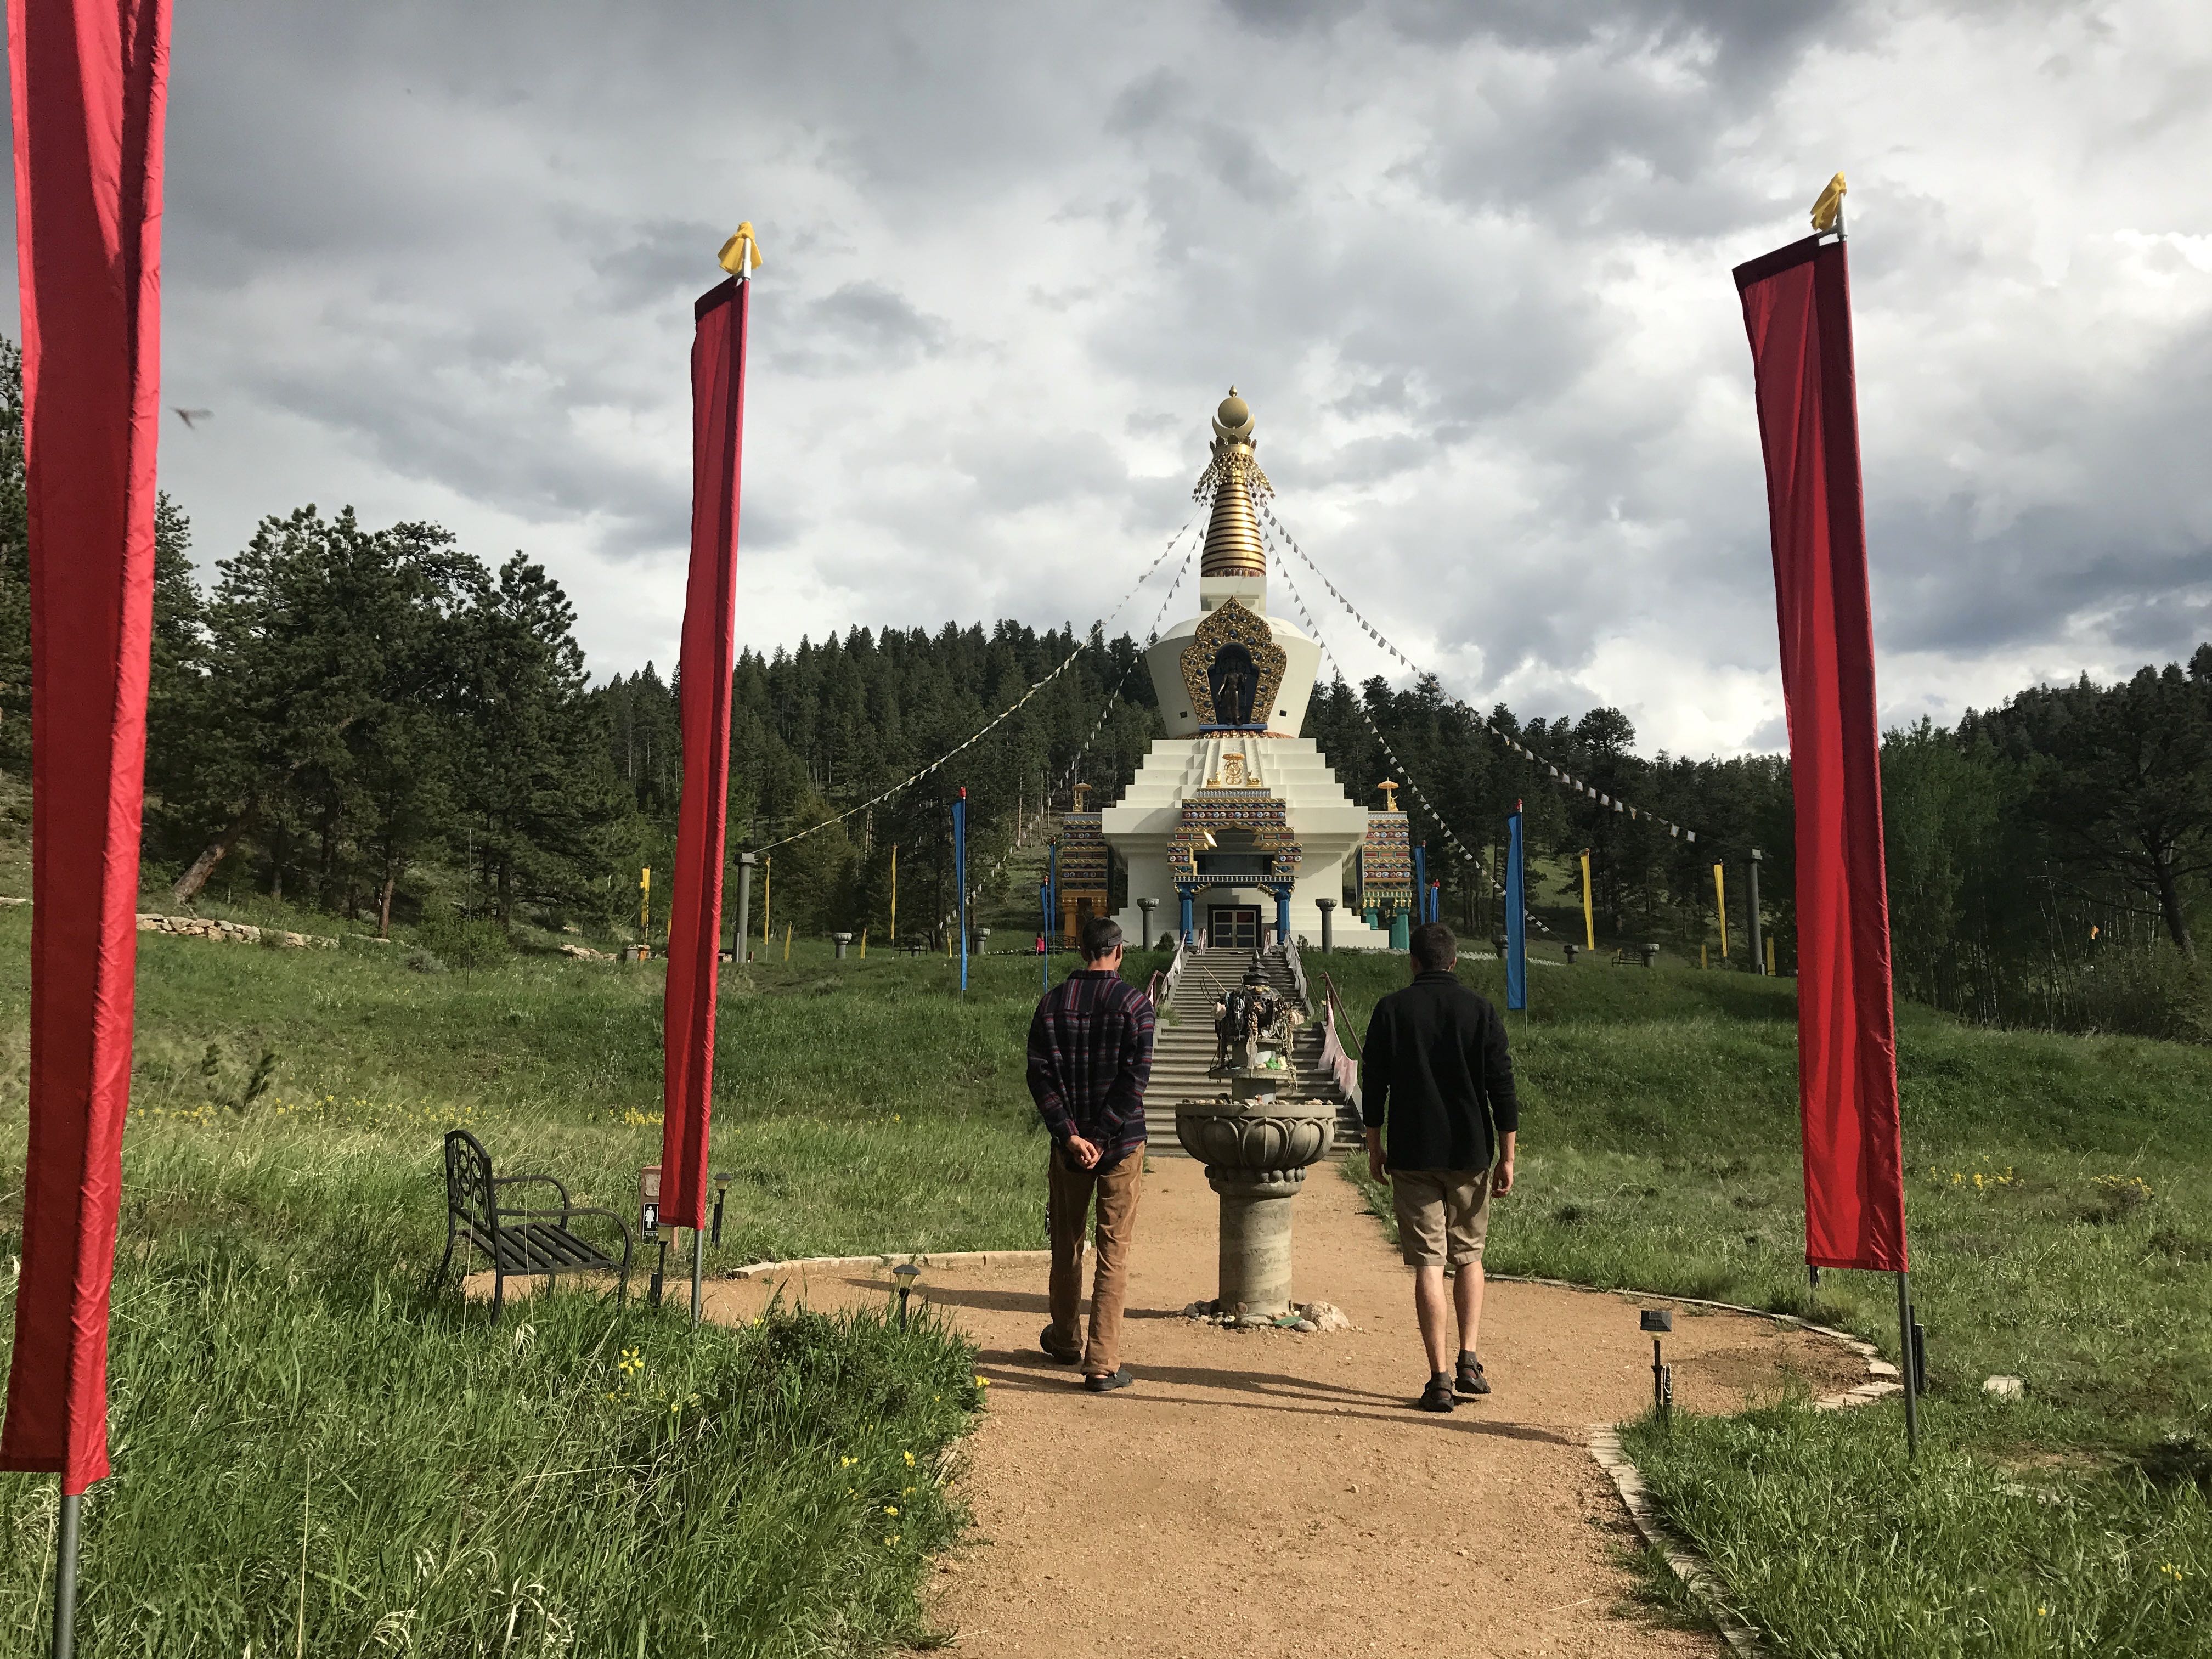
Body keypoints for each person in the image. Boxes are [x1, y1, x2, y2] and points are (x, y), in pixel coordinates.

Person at [1361, 920, 1519, 1413]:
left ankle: (1440, 1379)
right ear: (1454, 961)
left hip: (1411, 1152)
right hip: (1471, 1153)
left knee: (1428, 1263)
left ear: (1413, 961)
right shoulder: (1481, 1010)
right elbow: (1502, 1088)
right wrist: (1508, 1153)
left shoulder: (1391, 1010)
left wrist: (1374, 1144)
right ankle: (1470, 1358)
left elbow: (1374, 1086)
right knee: (1468, 1256)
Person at [1026, 914, 1156, 1392]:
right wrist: (1102, 1137)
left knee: (1067, 1242)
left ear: (1081, 952)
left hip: (1068, 1145)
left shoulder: (1052, 1004)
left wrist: (1071, 1135)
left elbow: (1039, 1077)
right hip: (1120, 1144)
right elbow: (1133, 1083)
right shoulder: (1136, 1006)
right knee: (1113, 1250)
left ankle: (1064, 1338)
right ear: (1119, 952)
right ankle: (1101, 1362)